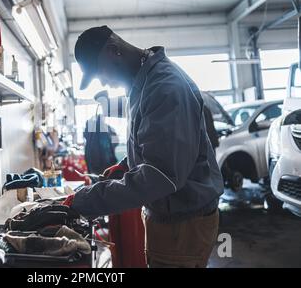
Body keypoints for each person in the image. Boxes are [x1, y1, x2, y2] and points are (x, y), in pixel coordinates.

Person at [63, 26, 224, 268]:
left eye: (100, 74)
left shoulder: (165, 87)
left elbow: (161, 175)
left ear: (113, 50)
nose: (104, 82)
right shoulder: (144, 82)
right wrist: (126, 166)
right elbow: (152, 143)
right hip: (169, 218)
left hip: (182, 225)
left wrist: (87, 200)